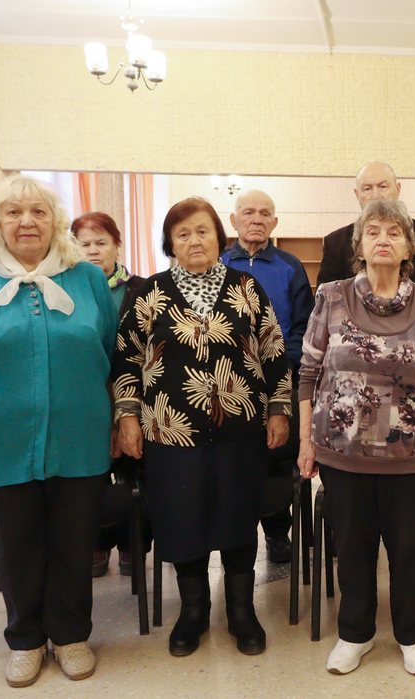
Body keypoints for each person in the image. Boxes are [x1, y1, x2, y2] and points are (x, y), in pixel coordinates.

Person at [0, 175, 118, 687]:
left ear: (54, 221)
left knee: (73, 540)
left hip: (79, 433)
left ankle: (71, 635)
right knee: (12, 544)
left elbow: (108, 355)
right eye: (14, 212)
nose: (26, 222)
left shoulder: (87, 279)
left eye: (38, 212)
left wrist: (113, 419)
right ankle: (25, 640)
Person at [112, 197, 292, 658]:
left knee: (238, 515)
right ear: (170, 243)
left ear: (218, 236)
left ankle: (241, 611)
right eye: (183, 234)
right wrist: (127, 417)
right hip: (169, 434)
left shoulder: (247, 287)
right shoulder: (149, 293)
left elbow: (273, 350)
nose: (194, 241)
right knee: (182, 519)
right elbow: (127, 359)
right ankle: (193, 611)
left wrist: (279, 409)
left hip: (241, 431)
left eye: (202, 231)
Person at [298, 198, 415, 677]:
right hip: (343, 453)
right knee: (352, 548)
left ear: (409, 247)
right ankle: (355, 634)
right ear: (359, 246)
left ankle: (414, 635)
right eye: (373, 232)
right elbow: (307, 373)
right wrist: (306, 441)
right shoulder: (331, 297)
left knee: (410, 549)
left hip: (414, 454)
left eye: (394, 232)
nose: (383, 240)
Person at [221, 189, 314, 564]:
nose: (256, 219)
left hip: (280, 381)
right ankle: (235, 536)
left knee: (277, 458)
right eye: (248, 212)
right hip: (228, 384)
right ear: (234, 220)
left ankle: (278, 534)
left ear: (275, 222)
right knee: (234, 460)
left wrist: (285, 365)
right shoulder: (218, 262)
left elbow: (305, 326)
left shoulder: (291, 267)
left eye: (264, 213)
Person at [71, 211, 148, 578]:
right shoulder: (67, 289)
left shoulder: (141, 288)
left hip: (135, 394)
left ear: (117, 245)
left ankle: (134, 543)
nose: (92, 251)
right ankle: (96, 543)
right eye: (84, 244)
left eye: (101, 243)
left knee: (135, 471)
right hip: (87, 396)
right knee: (92, 476)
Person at [317, 161, 415, 318]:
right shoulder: (335, 243)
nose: (376, 195)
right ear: (357, 194)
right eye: (367, 189)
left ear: (398, 189)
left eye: (383, 187)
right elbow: (323, 310)